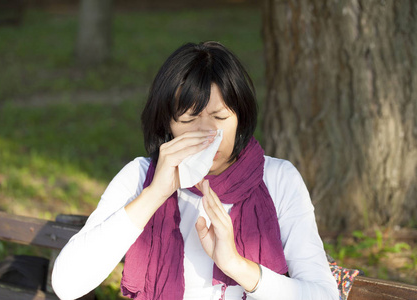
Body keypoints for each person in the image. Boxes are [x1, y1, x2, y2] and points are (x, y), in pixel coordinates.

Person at [52, 41, 339, 300]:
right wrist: (155, 194)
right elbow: (67, 285)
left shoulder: (277, 178)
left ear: (241, 118)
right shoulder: (140, 177)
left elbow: (323, 295)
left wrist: (236, 265)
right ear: (167, 124)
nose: (207, 133)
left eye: (220, 117)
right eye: (189, 119)